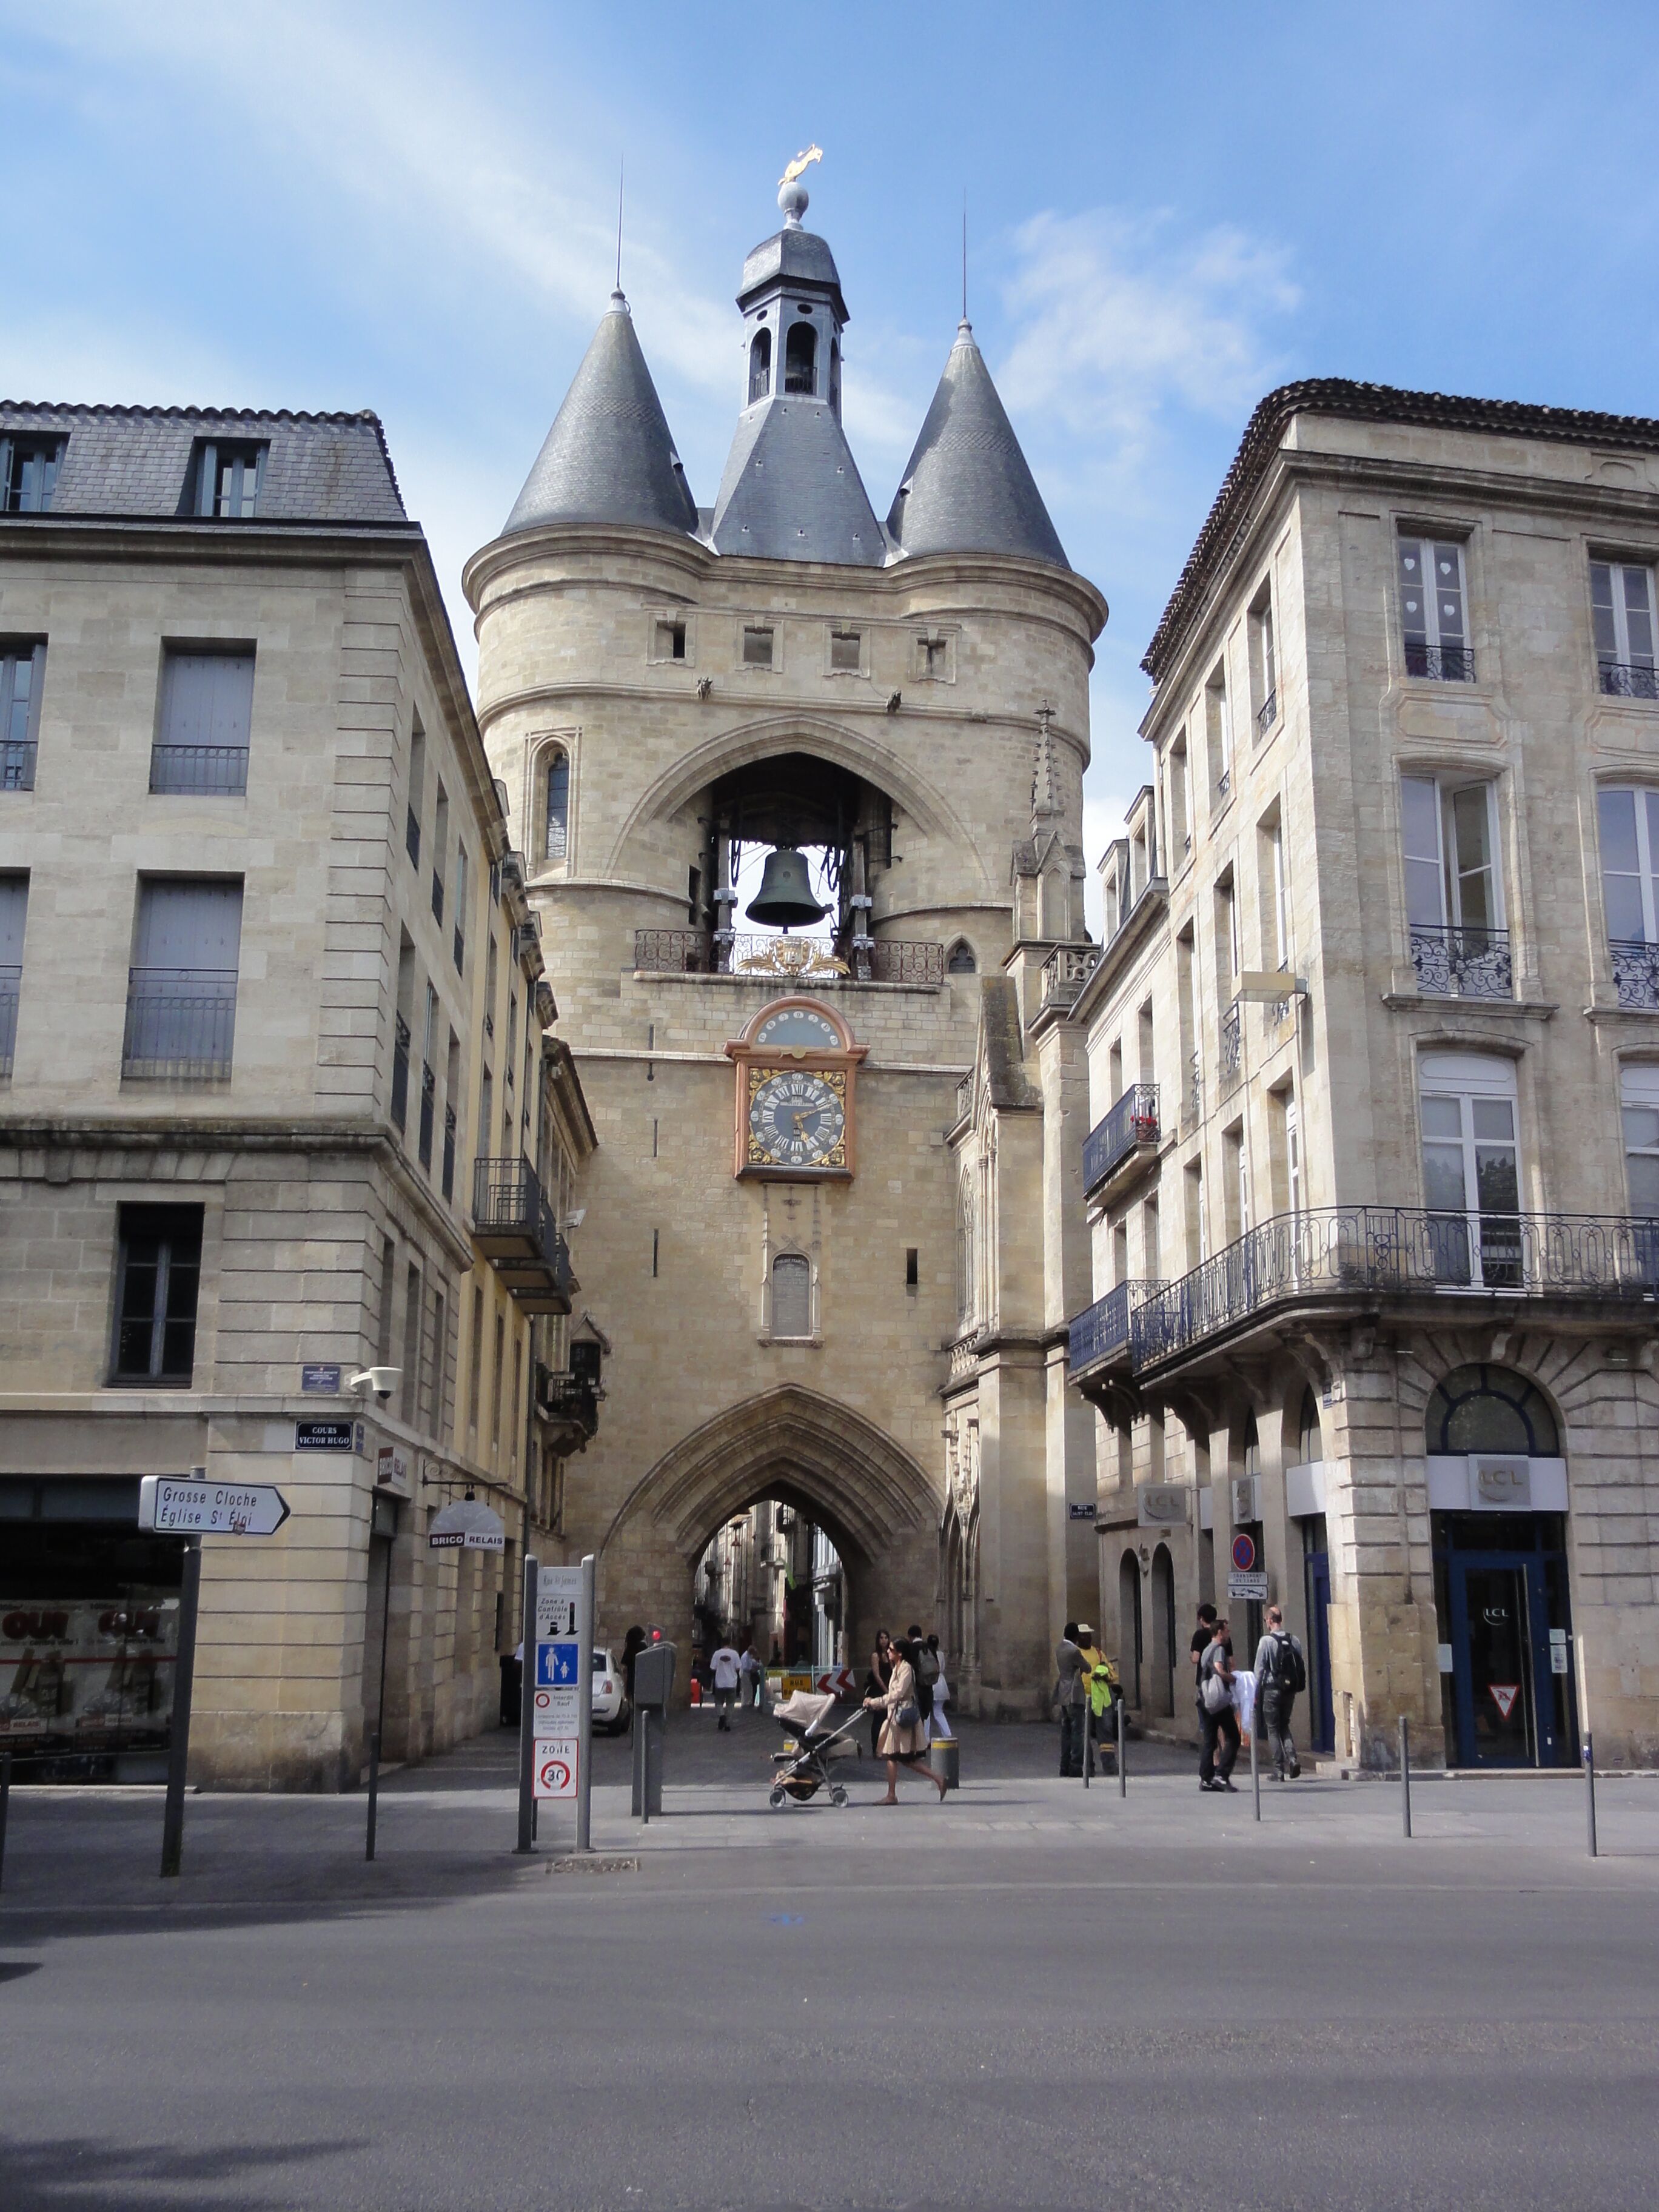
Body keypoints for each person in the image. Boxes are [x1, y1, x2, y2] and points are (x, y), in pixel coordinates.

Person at [863, 1635, 947, 1803]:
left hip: (902, 1717)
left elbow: (898, 1693)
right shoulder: (898, 1667)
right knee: (899, 1758)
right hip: (895, 1716)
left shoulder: (906, 1668)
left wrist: (876, 1702)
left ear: (900, 1653)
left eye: (892, 1649)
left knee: (898, 1757)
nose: (888, 1651)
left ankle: (893, 1795)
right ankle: (935, 1779)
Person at [1252, 1604, 1306, 1780]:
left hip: (1272, 1689)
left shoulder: (1266, 1642)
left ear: (1269, 1621)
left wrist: (1254, 1693)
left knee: (1273, 1728)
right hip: (1289, 1690)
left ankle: (1279, 1770)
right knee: (1284, 1724)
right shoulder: (1294, 1640)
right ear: (1280, 1620)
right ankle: (1293, 1759)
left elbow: (1259, 1670)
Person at [1198, 1615, 1240, 1792]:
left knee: (1210, 1741)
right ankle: (1222, 1775)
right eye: (1227, 1630)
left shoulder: (1207, 1649)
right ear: (1220, 1632)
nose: (1229, 1633)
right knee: (1234, 1737)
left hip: (1204, 1699)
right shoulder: (1218, 1649)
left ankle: (1206, 1779)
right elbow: (1220, 1669)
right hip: (1218, 1701)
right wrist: (1233, 1678)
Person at [1076, 1624, 1118, 1772]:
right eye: (1083, 1635)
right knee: (1083, 1733)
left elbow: (1112, 1672)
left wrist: (1104, 1675)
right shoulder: (1075, 1654)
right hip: (1082, 1699)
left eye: (1089, 1635)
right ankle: (1088, 1766)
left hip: (1101, 1698)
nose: (1087, 1638)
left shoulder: (1099, 1654)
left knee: (1106, 1731)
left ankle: (1110, 1765)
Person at [1055, 1621, 1087, 1778]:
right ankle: (1075, 1767)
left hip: (1063, 1692)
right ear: (1076, 1636)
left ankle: (1064, 1766)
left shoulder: (1059, 1648)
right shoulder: (1074, 1651)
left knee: (1065, 1732)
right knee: (1077, 1733)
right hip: (1074, 1694)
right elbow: (1087, 1667)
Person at [863, 1629, 894, 1760]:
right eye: (881, 1638)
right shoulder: (875, 1655)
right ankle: (876, 1747)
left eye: (886, 1638)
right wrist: (885, 1690)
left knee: (888, 1719)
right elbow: (877, 1675)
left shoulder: (890, 1654)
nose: (884, 1640)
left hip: (889, 1687)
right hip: (879, 1689)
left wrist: (893, 1688)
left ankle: (886, 1747)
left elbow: (893, 1670)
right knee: (878, 1719)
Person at [908, 1621, 939, 1747]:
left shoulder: (911, 1649)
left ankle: (918, 1745)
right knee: (926, 1716)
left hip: (917, 1687)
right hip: (929, 1686)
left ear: (910, 1636)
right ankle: (924, 1741)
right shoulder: (930, 1648)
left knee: (917, 1717)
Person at [708, 1635, 741, 1731]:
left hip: (720, 1682)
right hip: (732, 1682)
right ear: (730, 1644)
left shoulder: (717, 1654)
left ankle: (722, 1716)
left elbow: (712, 1668)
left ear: (721, 1644)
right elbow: (738, 1667)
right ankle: (727, 1724)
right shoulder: (735, 1654)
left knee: (719, 1702)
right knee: (730, 1704)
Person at [926, 1633, 952, 1740]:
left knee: (926, 1712)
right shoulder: (941, 1654)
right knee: (938, 1711)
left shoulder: (927, 1654)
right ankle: (947, 1734)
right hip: (941, 1682)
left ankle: (926, 1738)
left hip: (931, 1682)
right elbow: (943, 1667)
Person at [738, 1640, 762, 1709]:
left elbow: (752, 1662)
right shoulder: (745, 1657)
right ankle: (746, 1703)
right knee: (746, 1689)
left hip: (746, 1674)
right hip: (745, 1674)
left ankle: (746, 1702)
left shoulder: (748, 1656)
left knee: (748, 1688)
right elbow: (746, 1667)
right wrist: (752, 1670)